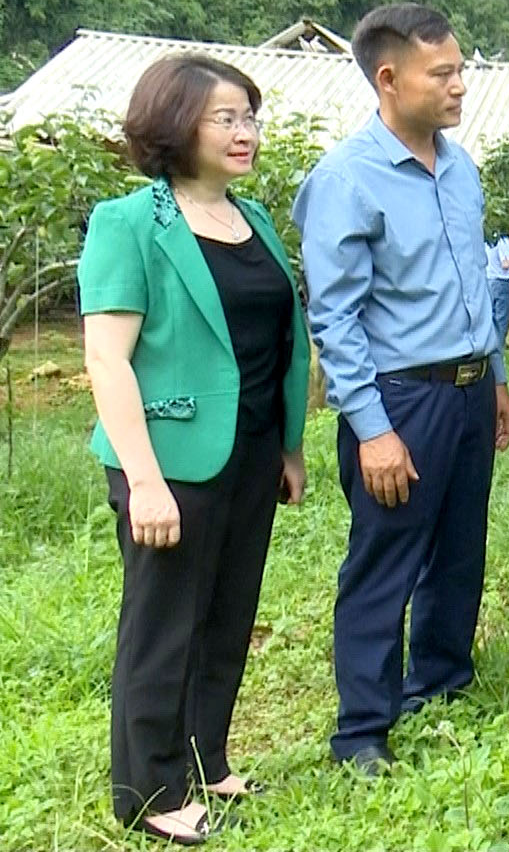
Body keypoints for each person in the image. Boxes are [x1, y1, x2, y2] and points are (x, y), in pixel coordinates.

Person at [78, 55, 309, 844]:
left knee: (225, 612)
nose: (244, 132)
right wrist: (143, 481)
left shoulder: (256, 222)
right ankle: (150, 788)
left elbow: (275, 342)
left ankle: (207, 757)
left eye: (250, 116)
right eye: (225, 118)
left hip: (247, 452)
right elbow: (108, 359)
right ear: (176, 123)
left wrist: (289, 446)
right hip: (166, 458)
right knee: (165, 621)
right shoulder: (129, 221)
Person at [293, 4, 509, 774]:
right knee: (385, 558)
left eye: (462, 71)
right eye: (443, 74)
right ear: (388, 80)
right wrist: (373, 427)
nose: (461, 86)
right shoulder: (346, 179)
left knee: (460, 547)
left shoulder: (460, 168)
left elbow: (473, 283)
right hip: (399, 399)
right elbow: (336, 316)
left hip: (465, 386)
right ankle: (363, 728)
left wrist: (495, 377)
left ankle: (444, 681)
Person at [484, 231, 509, 343]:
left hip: (490, 281)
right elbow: (505, 264)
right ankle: (498, 350)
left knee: (491, 317)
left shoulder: (488, 239)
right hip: (502, 282)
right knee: (502, 320)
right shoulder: (503, 241)